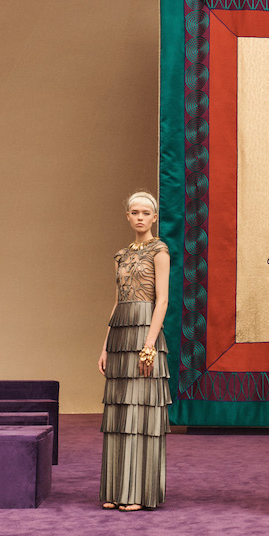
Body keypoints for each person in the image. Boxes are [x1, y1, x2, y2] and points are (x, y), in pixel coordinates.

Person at [97, 191, 171, 511]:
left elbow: (162, 300)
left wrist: (150, 344)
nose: (140, 217)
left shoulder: (160, 251)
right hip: (120, 336)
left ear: (154, 218)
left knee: (140, 412)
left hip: (145, 334)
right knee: (119, 413)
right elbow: (117, 302)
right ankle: (117, 490)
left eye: (145, 213)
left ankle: (138, 493)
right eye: (135, 212)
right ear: (127, 216)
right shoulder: (121, 255)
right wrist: (105, 346)